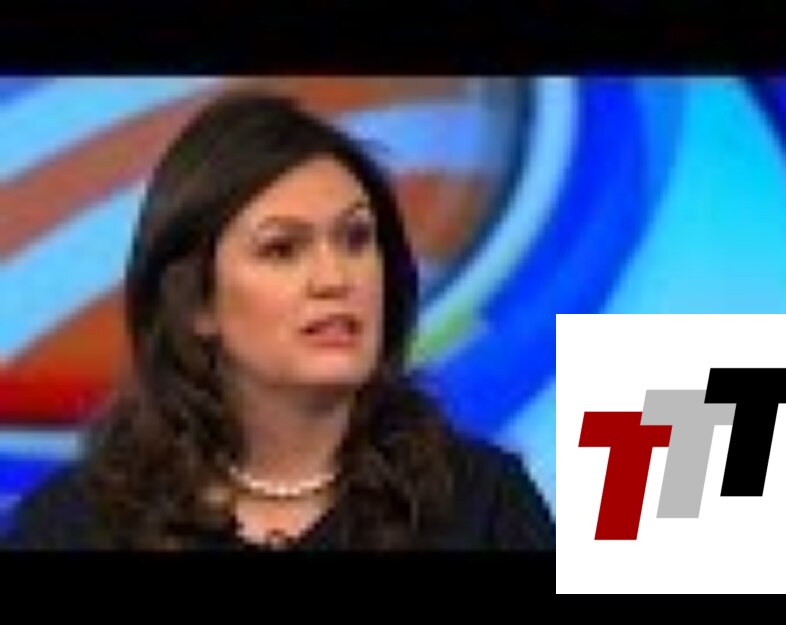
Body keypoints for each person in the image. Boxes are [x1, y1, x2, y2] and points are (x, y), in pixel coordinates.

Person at [1, 88, 555, 551]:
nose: (334, 278)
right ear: (196, 304)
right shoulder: (75, 526)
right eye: (282, 249)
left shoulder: (486, 507)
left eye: (356, 239)